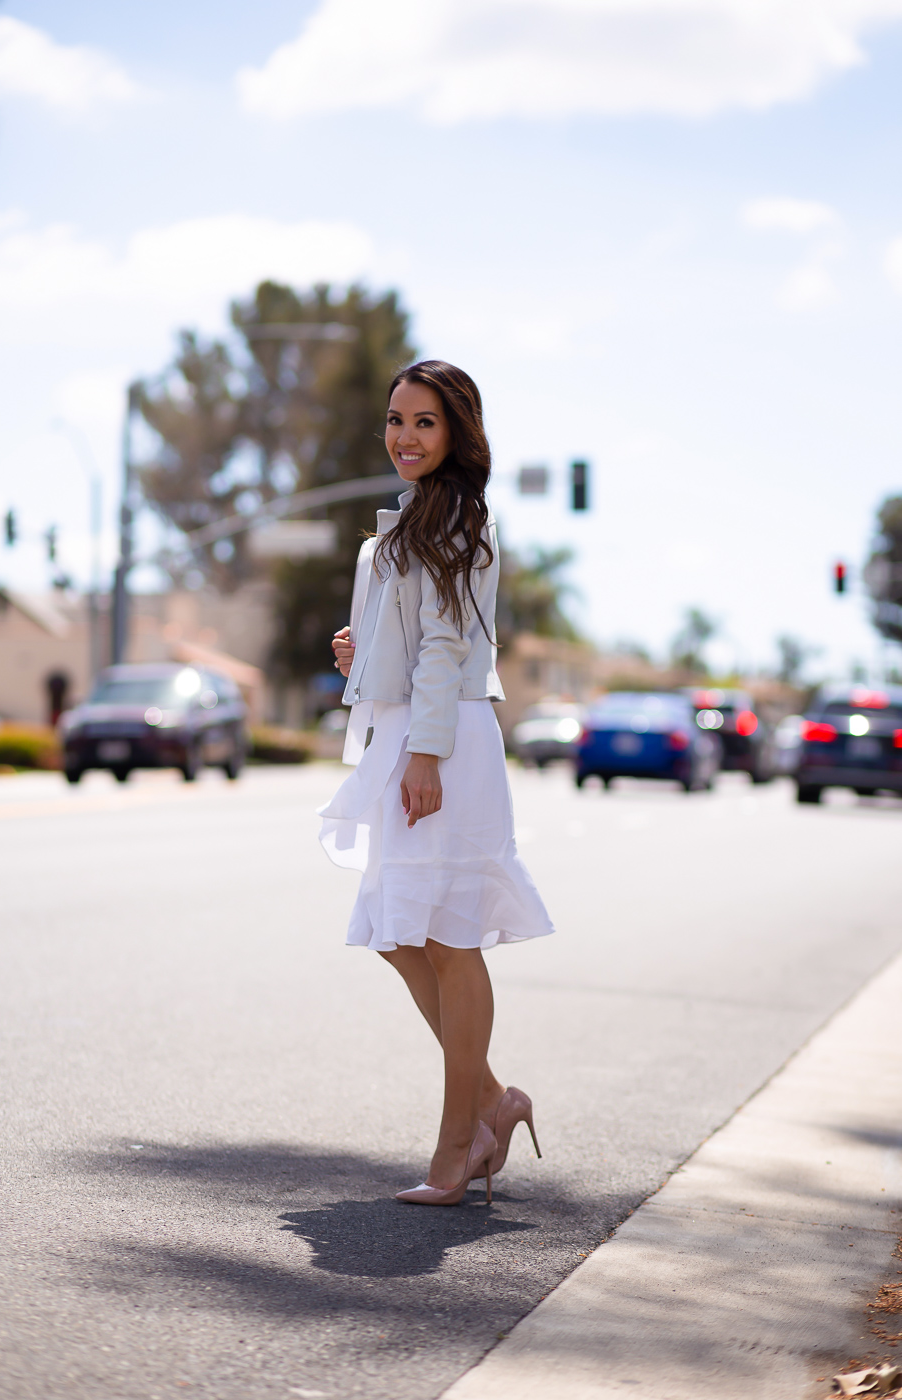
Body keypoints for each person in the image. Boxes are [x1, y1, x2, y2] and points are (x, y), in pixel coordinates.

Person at [318, 360, 554, 1206]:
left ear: (455, 431)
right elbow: (411, 641)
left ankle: (456, 1150)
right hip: (410, 736)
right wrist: (361, 653)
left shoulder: (456, 519)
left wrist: (423, 753)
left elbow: (450, 648)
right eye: (394, 420)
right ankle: (494, 1101)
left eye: (423, 422)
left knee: (448, 938)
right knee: (396, 929)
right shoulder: (403, 526)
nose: (404, 437)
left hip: (443, 743)